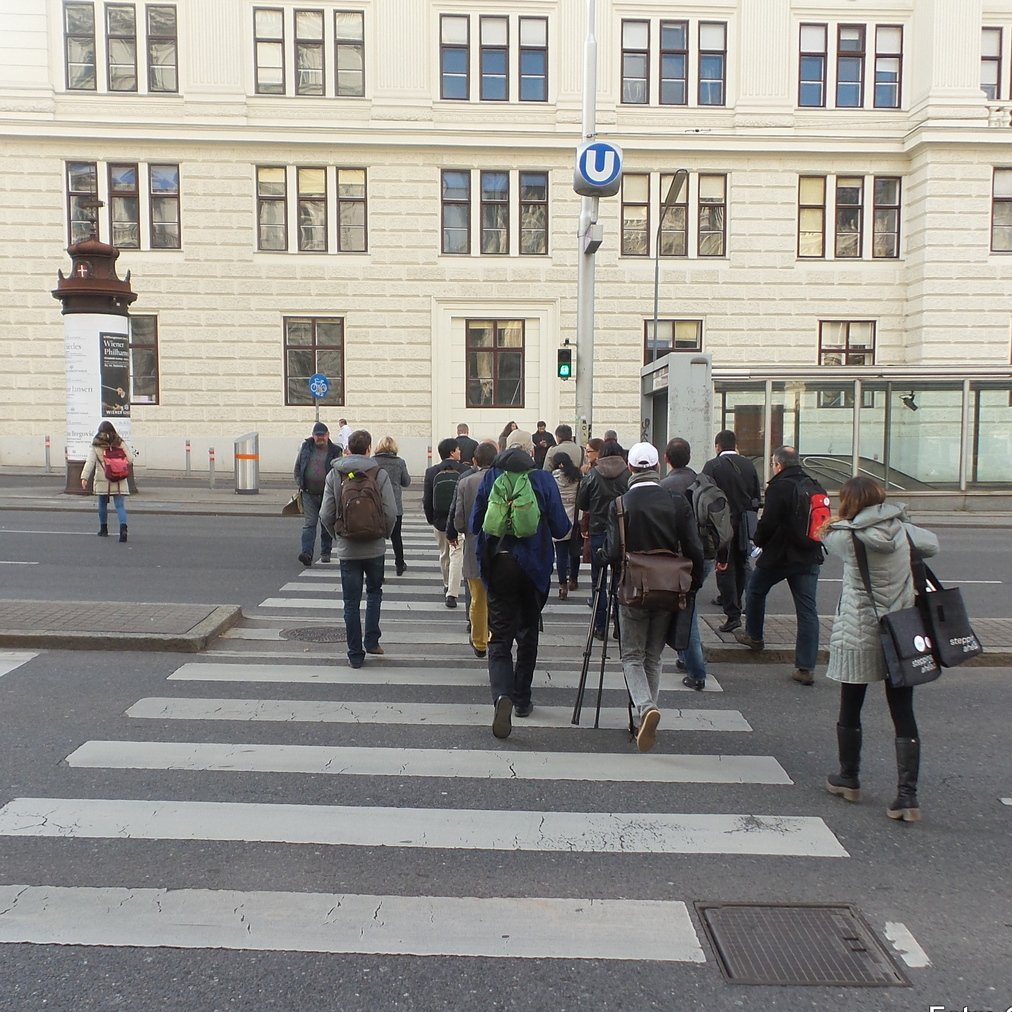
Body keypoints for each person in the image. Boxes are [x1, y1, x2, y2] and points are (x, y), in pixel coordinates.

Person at [821, 476, 938, 823]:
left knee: (851, 705)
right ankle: (907, 796)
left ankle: (849, 777)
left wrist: (847, 519)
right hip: (900, 630)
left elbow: (822, 533)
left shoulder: (846, 536)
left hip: (859, 631)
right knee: (903, 711)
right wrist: (898, 518)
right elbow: (933, 545)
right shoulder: (903, 531)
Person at [470, 429, 571, 738]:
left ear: (504, 449)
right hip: (535, 567)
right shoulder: (542, 479)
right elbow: (561, 526)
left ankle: (502, 695)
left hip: (499, 564)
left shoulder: (490, 477)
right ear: (530, 452)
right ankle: (523, 699)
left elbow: (476, 523)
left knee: (500, 636)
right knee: (528, 632)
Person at [604, 442, 703, 752]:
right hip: (669, 585)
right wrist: (693, 584)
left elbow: (611, 553)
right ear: (658, 465)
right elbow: (694, 548)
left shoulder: (620, 504)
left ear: (631, 469)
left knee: (631, 654)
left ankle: (645, 709)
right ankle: (645, 716)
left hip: (633, 587)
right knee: (653, 655)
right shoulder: (676, 502)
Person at [734, 446, 826, 685]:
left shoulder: (779, 486)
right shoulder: (814, 484)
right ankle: (805, 668)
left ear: (778, 464)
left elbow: (769, 522)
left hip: (780, 556)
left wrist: (758, 540)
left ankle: (754, 636)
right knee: (807, 611)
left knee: (755, 590)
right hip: (809, 555)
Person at [320, 429, 397, 669]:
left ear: (348, 449)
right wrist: (384, 534)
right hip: (374, 548)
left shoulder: (335, 474)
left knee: (350, 603)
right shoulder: (378, 473)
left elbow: (325, 513)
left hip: (348, 547)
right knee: (374, 593)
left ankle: (355, 653)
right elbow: (390, 512)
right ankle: (372, 641)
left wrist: (338, 536)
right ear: (368, 449)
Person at [661, 436, 710, 691]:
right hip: (706, 553)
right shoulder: (703, 479)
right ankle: (684, 657)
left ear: (667, 459)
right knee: (686, 609)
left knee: (686, 613)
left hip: (683, 557)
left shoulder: (666, 486)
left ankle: (697, 671)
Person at [702, 429, 761, 632]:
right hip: (744, 521)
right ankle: (743, 601)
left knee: (724, 565)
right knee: (741, 560)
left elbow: (705, 496)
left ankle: (732, 612)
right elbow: (756, 496)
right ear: (735, 445)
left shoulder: (712, 466)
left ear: (717, 446)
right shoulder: (749, 464)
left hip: (721, 523)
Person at [577, 440, 629, 639]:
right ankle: (619, 623)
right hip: (623, 533)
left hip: (598, 531)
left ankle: (600, 626)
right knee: (620, 581)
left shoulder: (593, 474)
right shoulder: (628, 474)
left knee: (597, 582)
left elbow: (583, 502)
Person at [452, 440, 497, 657]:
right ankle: (497, 635)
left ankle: (480, 642)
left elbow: (459, 520)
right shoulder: (504, 480)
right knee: (497, 595)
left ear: (475, 461)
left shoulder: (466, 483)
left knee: (477, 597)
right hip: (500, 547)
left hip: (474, 544)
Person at [423, 437, 469, 608]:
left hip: (439, 519)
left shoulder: (432, 472)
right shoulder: (465, 470)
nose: (460, 452)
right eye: (458, 450)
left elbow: (427, 499)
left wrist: (431, 518)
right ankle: (452, 593)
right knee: (456, 553)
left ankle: (446, 585)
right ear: (452, 452)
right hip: (457, 518)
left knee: (444, 553)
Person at [293, 421, 342, 566]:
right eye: (317, 435)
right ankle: (306, 553)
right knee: (309, 524)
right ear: (313, 436)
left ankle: (325, 552)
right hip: (308, 493)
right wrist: (300, 482)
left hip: (328, 493)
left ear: (328, 435)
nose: (320, 438)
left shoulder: (335, 450)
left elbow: (340, 470)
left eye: (323, 435)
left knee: (326, 523)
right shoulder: (306, 447)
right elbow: (298, 466)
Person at [80, 420, 131, 542]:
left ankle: (104, 529)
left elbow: (90, 462)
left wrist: (84, 477)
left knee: (102, 504)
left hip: (104, 479)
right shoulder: (119, 442)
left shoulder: (96, 445)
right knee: (119, 505)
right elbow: (130, 459)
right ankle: (123, 528)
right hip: (119, 478)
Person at [372, 436, 411, 576]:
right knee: (396, 537)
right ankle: (399, 564)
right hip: (395, 506)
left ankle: (379, 572)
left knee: (378, 539)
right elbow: (406, 482)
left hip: (376, 505)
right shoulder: (399, 462)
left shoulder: (373, 461)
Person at [550, 451, 581, 599]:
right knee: (574, 553)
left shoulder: (552, 479)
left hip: (559, 519)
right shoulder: (577, 477)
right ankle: (573, 579)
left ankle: (562, 586)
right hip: (575, 519)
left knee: (561, 555)